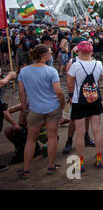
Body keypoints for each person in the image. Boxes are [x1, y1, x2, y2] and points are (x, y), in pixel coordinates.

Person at [17, 44, 65, 179]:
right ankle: (51, 165)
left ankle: (26, 170)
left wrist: (24, 107)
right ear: (44, 56)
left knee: (31, 139)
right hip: (52, 107)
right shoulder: (51, 71)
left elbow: (21, 92)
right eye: (50, 53)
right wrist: (62, 104)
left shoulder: (24, 71)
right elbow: (59, 91)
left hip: (34, 108)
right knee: (52, 136)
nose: (51, 55)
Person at [67, 41, 103, 172]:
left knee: (80, 133)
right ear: (91, 51)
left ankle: (80, 161)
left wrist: (71, 95)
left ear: (79, 51)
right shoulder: (98, 64)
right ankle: (99, 157)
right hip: (94, 100)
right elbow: (98, 79)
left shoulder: (75, 65)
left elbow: (70, 84)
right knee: (97, 130)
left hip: (79, 101)